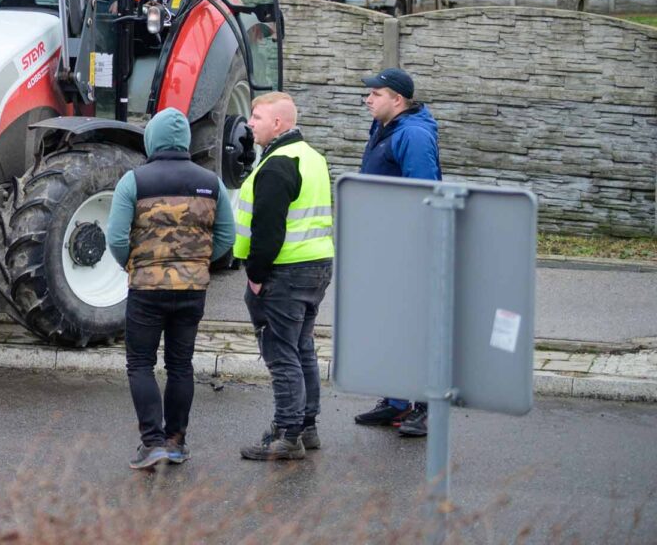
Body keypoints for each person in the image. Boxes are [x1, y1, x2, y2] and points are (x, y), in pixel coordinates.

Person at [105, 107, 235, 471]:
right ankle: (176, 442)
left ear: (152, 138)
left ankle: (152, 443)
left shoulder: (134, 180)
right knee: (181, 364)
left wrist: (131, 263)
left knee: (141, 364)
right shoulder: (211, 181)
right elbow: (226, 236)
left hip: (146, 288)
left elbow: (115, 237)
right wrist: (198, 262)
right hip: (192, 289)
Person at [233, 92, 333, 461]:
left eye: (256, 117)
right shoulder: (312, 157)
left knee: (281, 355)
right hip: (316, 267)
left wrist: (256, 275)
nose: (249, 123)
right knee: (302, 349)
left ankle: (287, 434)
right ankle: (307, 426)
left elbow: (268, 229)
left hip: (283, 273)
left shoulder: (278, 164)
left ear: (278, 123)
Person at [352, 66, 442, 439]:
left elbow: (423, 197)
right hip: (383, 245)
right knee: (389, 325)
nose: (367, 99)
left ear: (397, 100)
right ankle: (396, 401)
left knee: (414, 328)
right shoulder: (386, 127)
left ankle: (423, 408)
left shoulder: (415, 135)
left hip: (407, 249)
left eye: (375, 94)